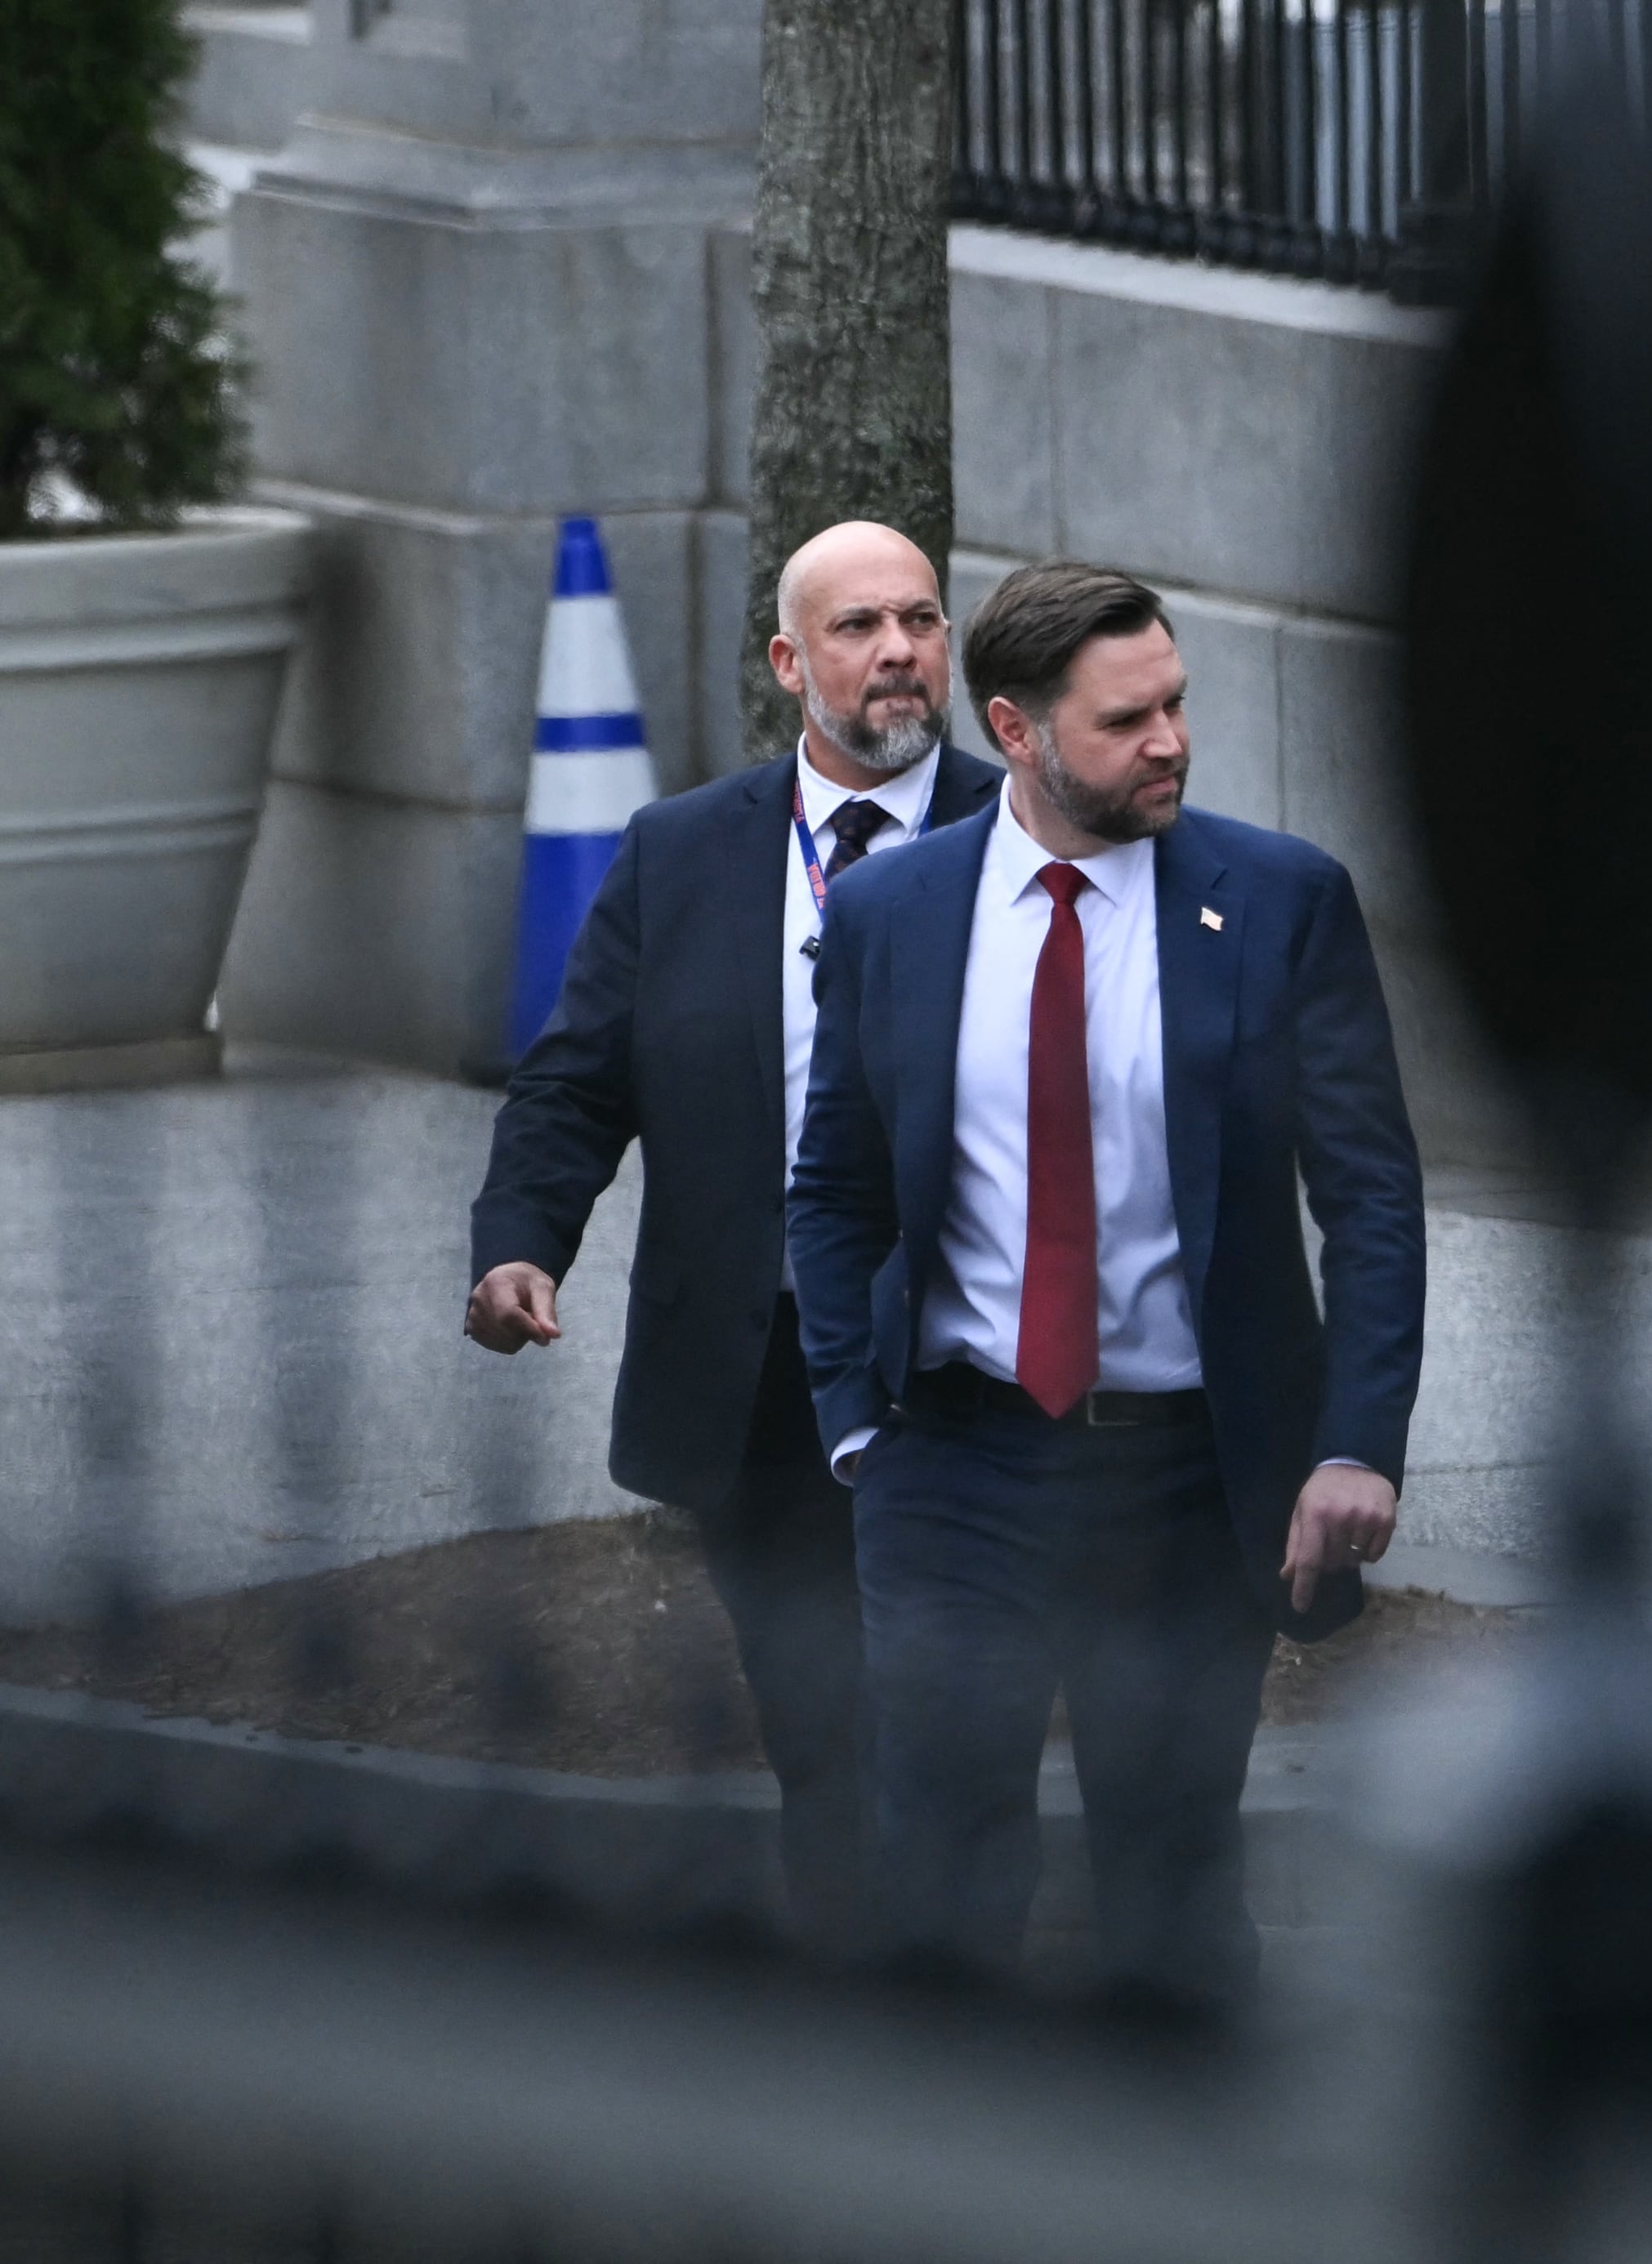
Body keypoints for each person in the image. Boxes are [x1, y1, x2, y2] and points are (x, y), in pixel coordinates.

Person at [788, 560, 1424, 2005]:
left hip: (1184, 1479)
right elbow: (833, 1184)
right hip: (950, 1462)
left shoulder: (1278, 903)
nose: (1172, 742)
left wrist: (1353, 1444)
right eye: (1128, 720)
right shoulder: (896, 914)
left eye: (1177, 703)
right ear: (1014, 731)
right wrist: (855, 1421)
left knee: (1172, 1876)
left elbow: (1373, 1196)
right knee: (941, 1869)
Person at [465, 520, 1002, 1957]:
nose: (898, 654)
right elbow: (579, 1079)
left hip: (966, 1364)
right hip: (760, 1371)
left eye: (922, 621)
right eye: (858, 629)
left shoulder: (1026, 838)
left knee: (945, 1699)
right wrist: (523, 1241)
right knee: (816, 1713)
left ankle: (953, 1969)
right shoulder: (682, 853)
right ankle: (860, 1976)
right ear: (788, 663)